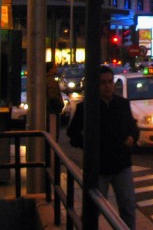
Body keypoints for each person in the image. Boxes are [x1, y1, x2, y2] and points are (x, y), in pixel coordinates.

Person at [67, 65, 139, 229]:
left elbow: (133, 127)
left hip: (121, 163)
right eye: (103, 83)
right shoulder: (86, 107)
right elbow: (72, 133)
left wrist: (131, 138)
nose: (107, 86)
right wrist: (88, 146)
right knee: (93, 208)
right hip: (98, 166)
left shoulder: (122, 104)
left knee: (128, 206)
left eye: (109, 82)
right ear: (95, 85)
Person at [46, 61, 64, 141]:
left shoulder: (45, 79)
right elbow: (53, 96)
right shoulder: (51, 81)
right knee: (53, 135)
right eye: (55, 67)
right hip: (52, 112)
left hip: (49, 111)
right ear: (50, 70)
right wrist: (60, 105)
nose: (57, 69)